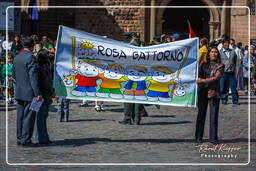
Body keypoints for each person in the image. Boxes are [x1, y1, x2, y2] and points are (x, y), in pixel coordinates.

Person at [13, 36, 42, 147]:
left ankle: (20, 138)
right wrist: (38, 93)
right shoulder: (30, 57)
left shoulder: (17, 57)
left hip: (19, 91)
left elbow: (14, 75)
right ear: (32, 46)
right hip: (30, 92)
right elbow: (33, 77)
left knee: (20, 117)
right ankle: (26, 140)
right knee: (29, 117)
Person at [195, 47, 224, 144]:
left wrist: (203, 80)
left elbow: (216, 78)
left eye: (215, 52)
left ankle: (213, 138)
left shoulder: (220, 65)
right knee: (201, 115)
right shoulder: (203, 63)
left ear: (218, 54)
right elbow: (198, 75)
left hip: (213, 92)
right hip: (202, 91)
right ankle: (198, 137)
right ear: (208, 53)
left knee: (214, 115)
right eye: (212, 52)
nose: (214, 53)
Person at [34, 49, 55, 145]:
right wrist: (52, 91)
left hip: (45, 96)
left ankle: (44, 137)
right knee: (40, 118)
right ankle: (41, 138)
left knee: (43, 117)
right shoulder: (40, 69)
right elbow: (46, 83)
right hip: (41, 96)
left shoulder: (43, 68)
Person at [219, 39, 239, 105]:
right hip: (223, 73)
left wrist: (237, 69)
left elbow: (237, 61)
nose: (227, 45)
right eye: (225, 44)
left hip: (232, 73)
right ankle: (224, 100)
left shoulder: (233, 52)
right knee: (223, 88)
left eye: (228, 44)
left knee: (233, 87)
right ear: (223, 45)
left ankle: (235, 101)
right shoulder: (219, 52)